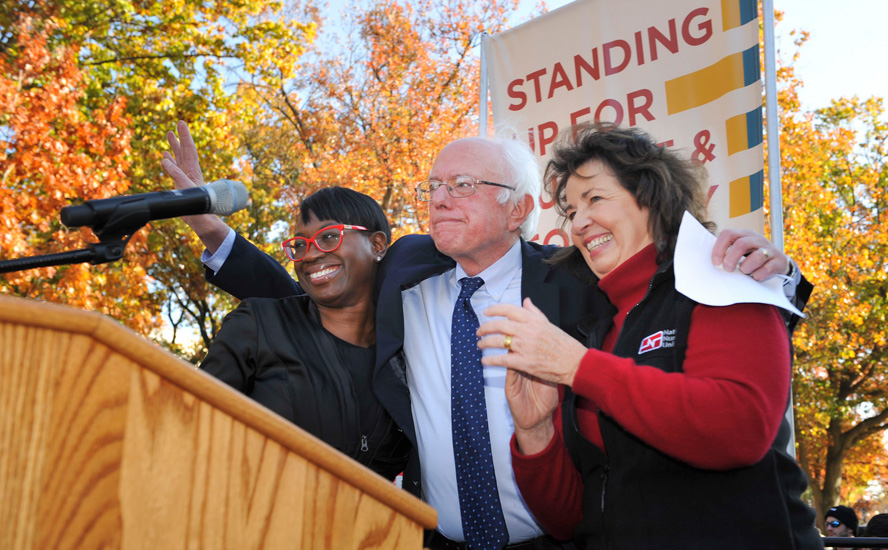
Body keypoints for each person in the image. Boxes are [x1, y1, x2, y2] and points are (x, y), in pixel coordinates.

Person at [163, 120, 808, 550]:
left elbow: (672, 281)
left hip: (560, 540)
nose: (440, 199)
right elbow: (313, 291)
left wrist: (779, 273)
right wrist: (210, 230)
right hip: (436, 539)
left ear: (519, 209)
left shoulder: (581, 281)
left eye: (463, 186)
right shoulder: (404, 276)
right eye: (435, 187)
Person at [475, 123, 821, 549]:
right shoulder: (595, 327)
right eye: (569, 211)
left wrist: (579, 368)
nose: (579, 222)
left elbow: (740, 431)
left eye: (594, 198)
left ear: (651, 198)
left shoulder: (725, 278)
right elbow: (572, 521)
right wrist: (535, 431)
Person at [195, 186, 409, 479]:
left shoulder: (410, 355)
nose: (308, 255)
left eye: (329, 236)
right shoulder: (260, 324)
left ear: (377, 245)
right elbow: (192, 422)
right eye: (299, 244)